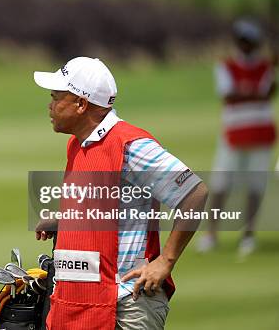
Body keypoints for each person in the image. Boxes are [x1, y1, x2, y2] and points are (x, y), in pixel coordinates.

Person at [32, 57, 208, 330]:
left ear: (81, 104)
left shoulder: (130, 145)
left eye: (57, 97)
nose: (50, 105)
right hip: (85, 304)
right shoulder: (77, 145)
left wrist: (165, 261)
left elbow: (195, 192)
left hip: (126, 305)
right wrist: (64, 221)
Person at [198, 19, 276, 256]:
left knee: (255, 186)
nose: (245, 46)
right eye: (242, 41)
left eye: (249, 41)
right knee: (221, 184)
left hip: (261, 134)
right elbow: (229, 96)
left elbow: (268, 92)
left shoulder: (267, 67)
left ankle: (248, 234)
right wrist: (254, 93)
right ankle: (211, 234)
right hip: (234, 134)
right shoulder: (226, 66)